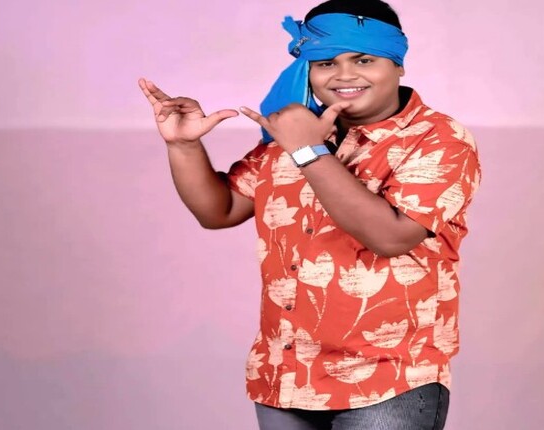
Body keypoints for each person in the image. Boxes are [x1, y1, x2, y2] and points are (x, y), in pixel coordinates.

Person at [138, 1, 480, 428]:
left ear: (397, 64)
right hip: (286, 373)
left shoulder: (440, 140)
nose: (343, 74)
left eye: (364, 60)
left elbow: (392, 237)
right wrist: (183, 146)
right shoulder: (292, 133)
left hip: (389, 375)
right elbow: (219, 210)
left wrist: (306, 150)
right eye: (325, 63)